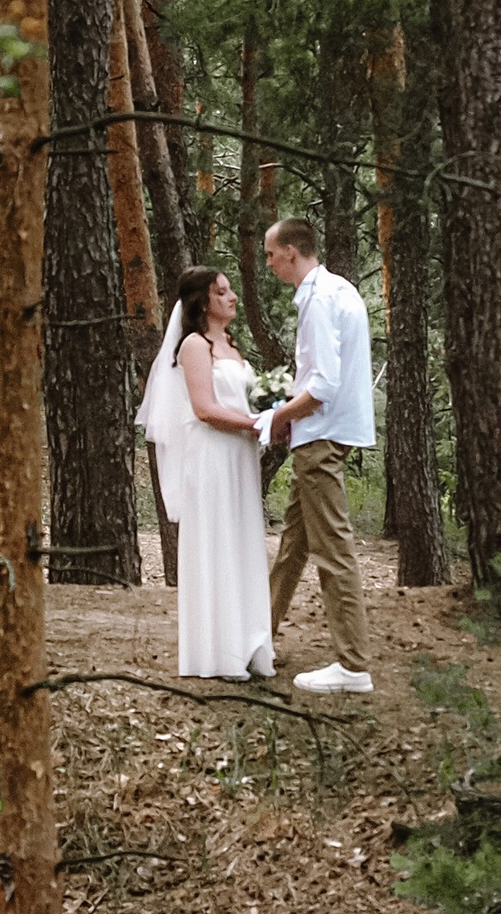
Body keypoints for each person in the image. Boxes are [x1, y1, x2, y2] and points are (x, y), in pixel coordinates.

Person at [134, 267, 276, 682]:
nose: (232, 297)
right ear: (202, 301)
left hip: (241, 457)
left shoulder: (231, 345)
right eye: (222, 292)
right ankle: (219, 652)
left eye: (231, 290)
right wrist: (257, 424)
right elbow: (204, 409)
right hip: (212, 456)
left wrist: (270, 416)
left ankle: (251, 643)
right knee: (217, 542)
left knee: (243, 542)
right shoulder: (195, 346)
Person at [257, 217, 376, 695]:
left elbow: (322, 386)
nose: (267, 264)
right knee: (293, 546)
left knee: (333, 551)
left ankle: (352, 665)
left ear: (291, 251)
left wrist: (278, 417)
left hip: (320, 437)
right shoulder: (337, 290)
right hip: (322, 435)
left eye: (269, 254)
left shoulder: (320, 299)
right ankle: (259, 638)